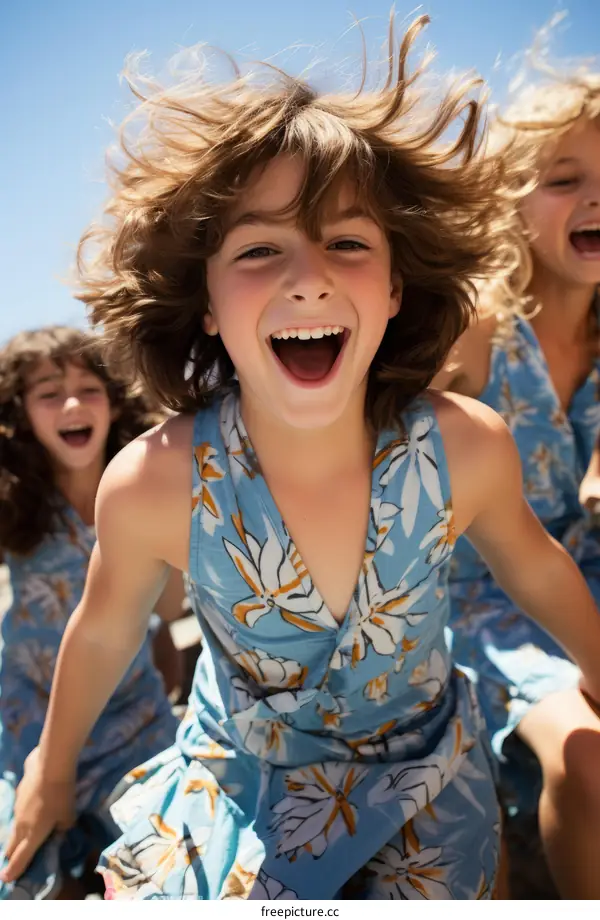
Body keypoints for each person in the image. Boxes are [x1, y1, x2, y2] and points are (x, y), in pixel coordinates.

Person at [3, 14, 600, 900]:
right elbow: (103, 627)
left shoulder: (464, 444)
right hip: (246, 779)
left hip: (423, 771)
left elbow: (536, 571)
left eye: (348, 243)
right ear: (205, 302)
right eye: (257, 249)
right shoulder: (155, 482)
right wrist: (51, 774)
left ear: (395, 285)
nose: (308, 276)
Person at [433, 56, 600, 897]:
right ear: (512, 206)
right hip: (491, 603)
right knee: (588, 755)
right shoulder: (477, 326)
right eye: (564, 179)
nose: (595, 199)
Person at [0, 326, 181, 899]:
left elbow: (173, 608)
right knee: (15, 883)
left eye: (88, 388)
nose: (73, 404)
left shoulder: (146, 486)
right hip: (26, 729)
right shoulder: (13, 501)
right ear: (22, 413)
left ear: (114, 398)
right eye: (49, 392)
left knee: (175, 876)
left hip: (135, 722)